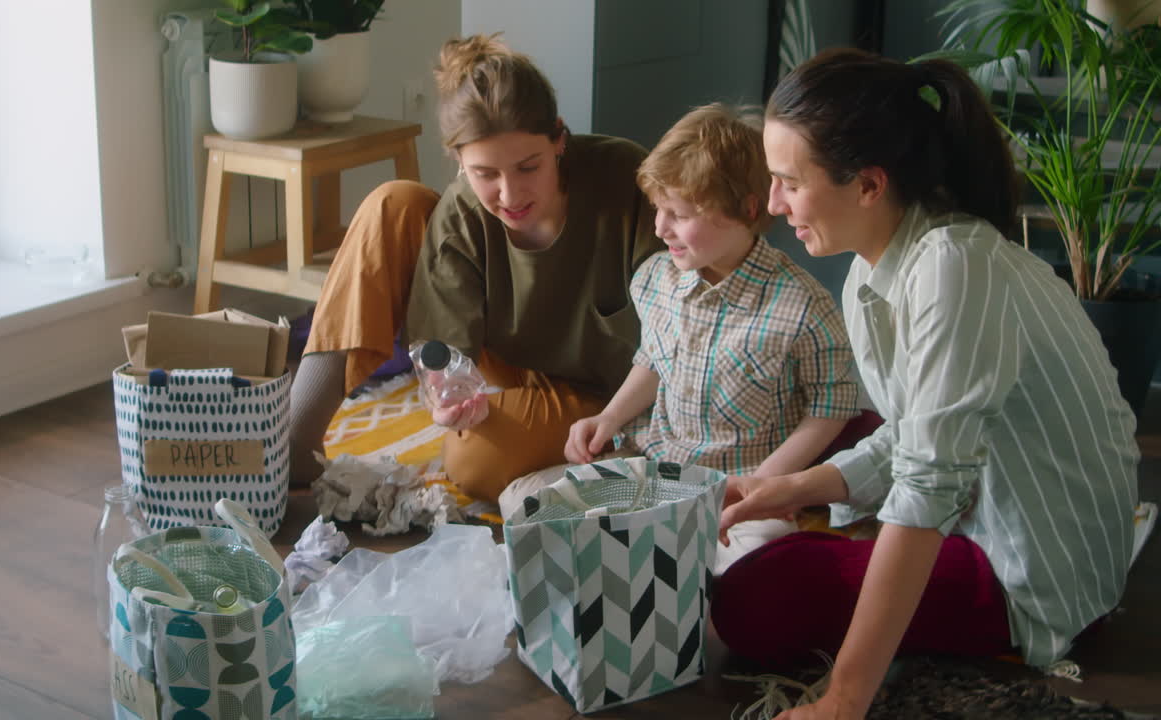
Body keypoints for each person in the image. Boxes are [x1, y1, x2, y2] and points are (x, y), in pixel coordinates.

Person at [713, 48, 1140, 720]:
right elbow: (911, 434)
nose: (772, 203)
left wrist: (844, 698)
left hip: (1034, 568)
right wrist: (795, 487)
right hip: (977, 502)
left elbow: (929, 478)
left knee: (751, 601)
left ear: (869, 185)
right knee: (846, 445)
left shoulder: (954, 266)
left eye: (788, 182)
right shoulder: (869, 275)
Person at [288, 33, 663, 500]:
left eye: (529, 167)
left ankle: (623, 453)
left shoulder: (626, 178)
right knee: (394, 204)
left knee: (473, 463)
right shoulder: (461, 211)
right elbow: (444, 352)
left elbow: (681, 325)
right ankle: (291, 446)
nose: (510, 195)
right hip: (513, 364)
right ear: (459, 161)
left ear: (560, 140)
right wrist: (445, 395)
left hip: (613, 392)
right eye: (486, 174)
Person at [559, 103, 858, 489]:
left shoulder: (803, 307)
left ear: (747, 211)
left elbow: (829, 408)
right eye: (658, 209)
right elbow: (653, 359)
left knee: (753, 545)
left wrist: (764, 484)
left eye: (680, 216)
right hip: (655, 463)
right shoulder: (655, 279)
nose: (660, 228)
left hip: (740, 481)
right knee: (537, 500)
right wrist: (609, 418)